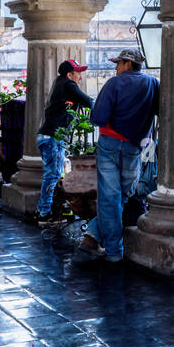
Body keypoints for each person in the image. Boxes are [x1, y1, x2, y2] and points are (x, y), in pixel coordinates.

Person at [73, 48, 158, 266]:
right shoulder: (152, 84)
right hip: (133, 147)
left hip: (109, 145)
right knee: (123, 194)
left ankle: (109, 248)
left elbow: (99, 118)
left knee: (111, 197)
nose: (116, 67)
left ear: (128, 64)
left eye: (118, 63)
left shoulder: (114, 83)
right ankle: (94, 239)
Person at [34, 59, 93, 227]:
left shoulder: (59, 83)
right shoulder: (68, 84)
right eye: (78, 73)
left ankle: (47, 210)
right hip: (52, 137)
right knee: (52, 175)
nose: (80, 77)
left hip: (48, 136)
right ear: (70, 74)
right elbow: (88, 101)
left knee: (54, 174)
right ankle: (44, 214)